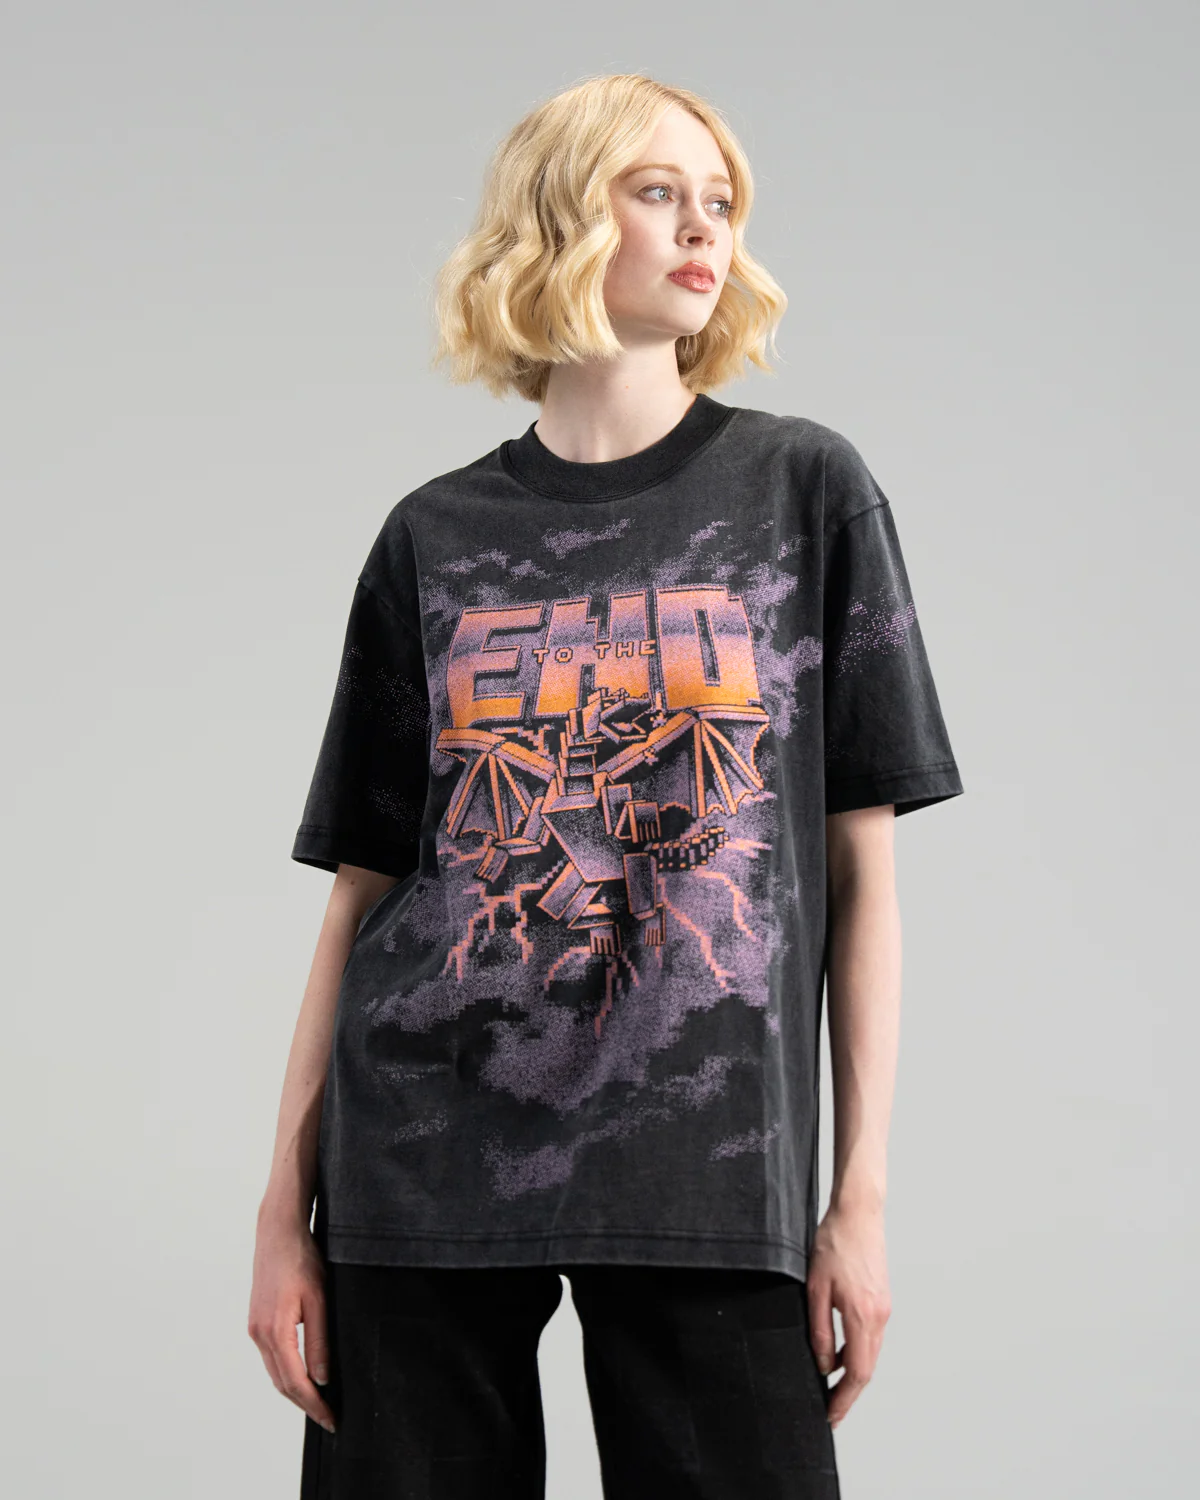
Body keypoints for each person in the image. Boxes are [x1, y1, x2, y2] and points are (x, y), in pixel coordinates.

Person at [248, 72, 964, 1500]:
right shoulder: (432, 535)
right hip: (421, 1160)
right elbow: (363, 896)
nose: (704, 227)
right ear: (561, 219)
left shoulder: (805, 490)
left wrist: (859, 1198)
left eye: (721, 201)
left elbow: (862, 877)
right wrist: (283, 1211)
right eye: (657, 192)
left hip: (710, 1161)